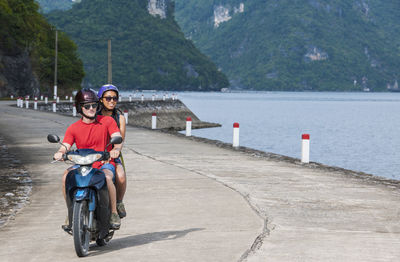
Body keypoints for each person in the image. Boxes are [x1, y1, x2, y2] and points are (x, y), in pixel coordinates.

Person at [54, 88, 122, 229]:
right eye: (87, 106)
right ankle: (71, 211)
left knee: (108, 178)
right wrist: (60, 152)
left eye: (94, 105)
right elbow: (65, 145)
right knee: (66, 176)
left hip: (103, 162)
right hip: (81, 163)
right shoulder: (73, 128)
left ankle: (114, 212)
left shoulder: (108, 121)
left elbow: (117, 138)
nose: (92, 109)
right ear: (80, 108)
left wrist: (115, 150)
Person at [97, 84, 127, 219]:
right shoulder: (94, 116)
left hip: (112, 154)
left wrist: (115, 151)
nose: (112, 101)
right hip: (94, 155)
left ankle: (119, 202)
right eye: (108, 98)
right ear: (101, 99)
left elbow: (120, 140)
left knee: (121, 176)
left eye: (114, 98)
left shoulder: (119, 118)